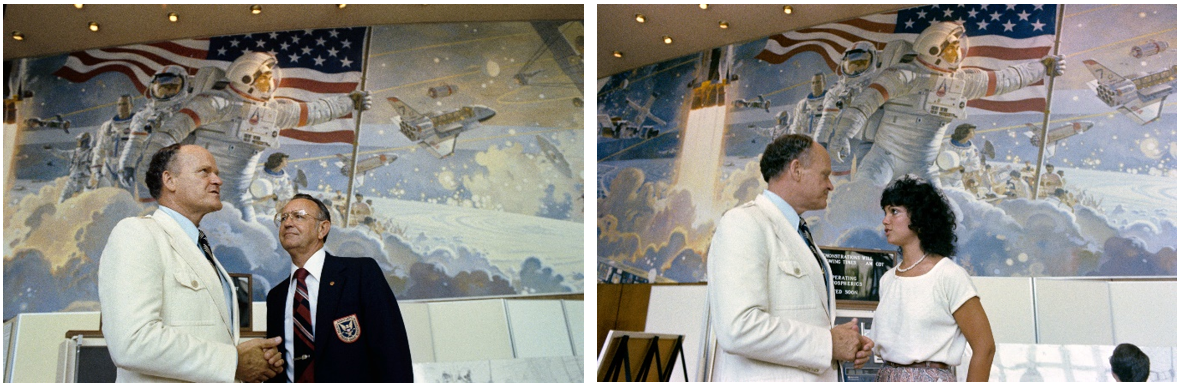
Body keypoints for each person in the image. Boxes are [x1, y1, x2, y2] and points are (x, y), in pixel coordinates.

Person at [97, 144, 284, 382]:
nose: (218, 180)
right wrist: (234, 362)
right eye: (204, 172)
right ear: (170, 180)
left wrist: (254, 358)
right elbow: (132, 341)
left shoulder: (201, 248)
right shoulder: (137, 233)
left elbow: (208, 336)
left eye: (216, 172)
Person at [707, 134, 872, 381]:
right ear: (796, 170)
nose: (830, 185)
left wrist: (842, 344)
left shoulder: (801, 235)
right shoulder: (744, 223)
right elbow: (738, 328)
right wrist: (828, 343)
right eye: (825, 175)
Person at [826, 21, 1065, 187]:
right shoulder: (903, 76)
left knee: (943, 220)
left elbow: (1005, 80)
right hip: (883, 157)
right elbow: (863, 105)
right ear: (933, 48)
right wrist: (842, 134)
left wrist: (1042, 67)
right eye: (951, 47)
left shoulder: (963, 81)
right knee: (860, 201)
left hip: (923, 165)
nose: (958, 51)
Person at [156, 51, 371, 221]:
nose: (270, 83)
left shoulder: (273, 113)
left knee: (251, 247)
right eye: (265, 77)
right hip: (196, 199)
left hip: (237, 198)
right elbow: (169, 132)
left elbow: (314, 111)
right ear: (247, 76)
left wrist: (349, 102)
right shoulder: (215, 104)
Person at [265, 194, 414, 382]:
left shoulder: (360, 274)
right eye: (283, 217)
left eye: (299, 216)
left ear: (322, 228)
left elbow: (392, 352)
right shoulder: (276, 297)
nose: (287, 223)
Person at [869, 175, 995, 382]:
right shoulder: (888, 279)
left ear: (920, 218)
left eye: (894, 211)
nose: (885, 220)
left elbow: (985, 347)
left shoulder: (948, 275)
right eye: (885, 212)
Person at [935, 123, 981, 189]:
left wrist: (960, 168)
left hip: (957, 180)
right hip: (942, 178)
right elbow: (934, 159)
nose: (974, 133)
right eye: (972, 131)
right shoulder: (945, 144)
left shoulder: (972, 149)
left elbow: (976, 165)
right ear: (965, 133)